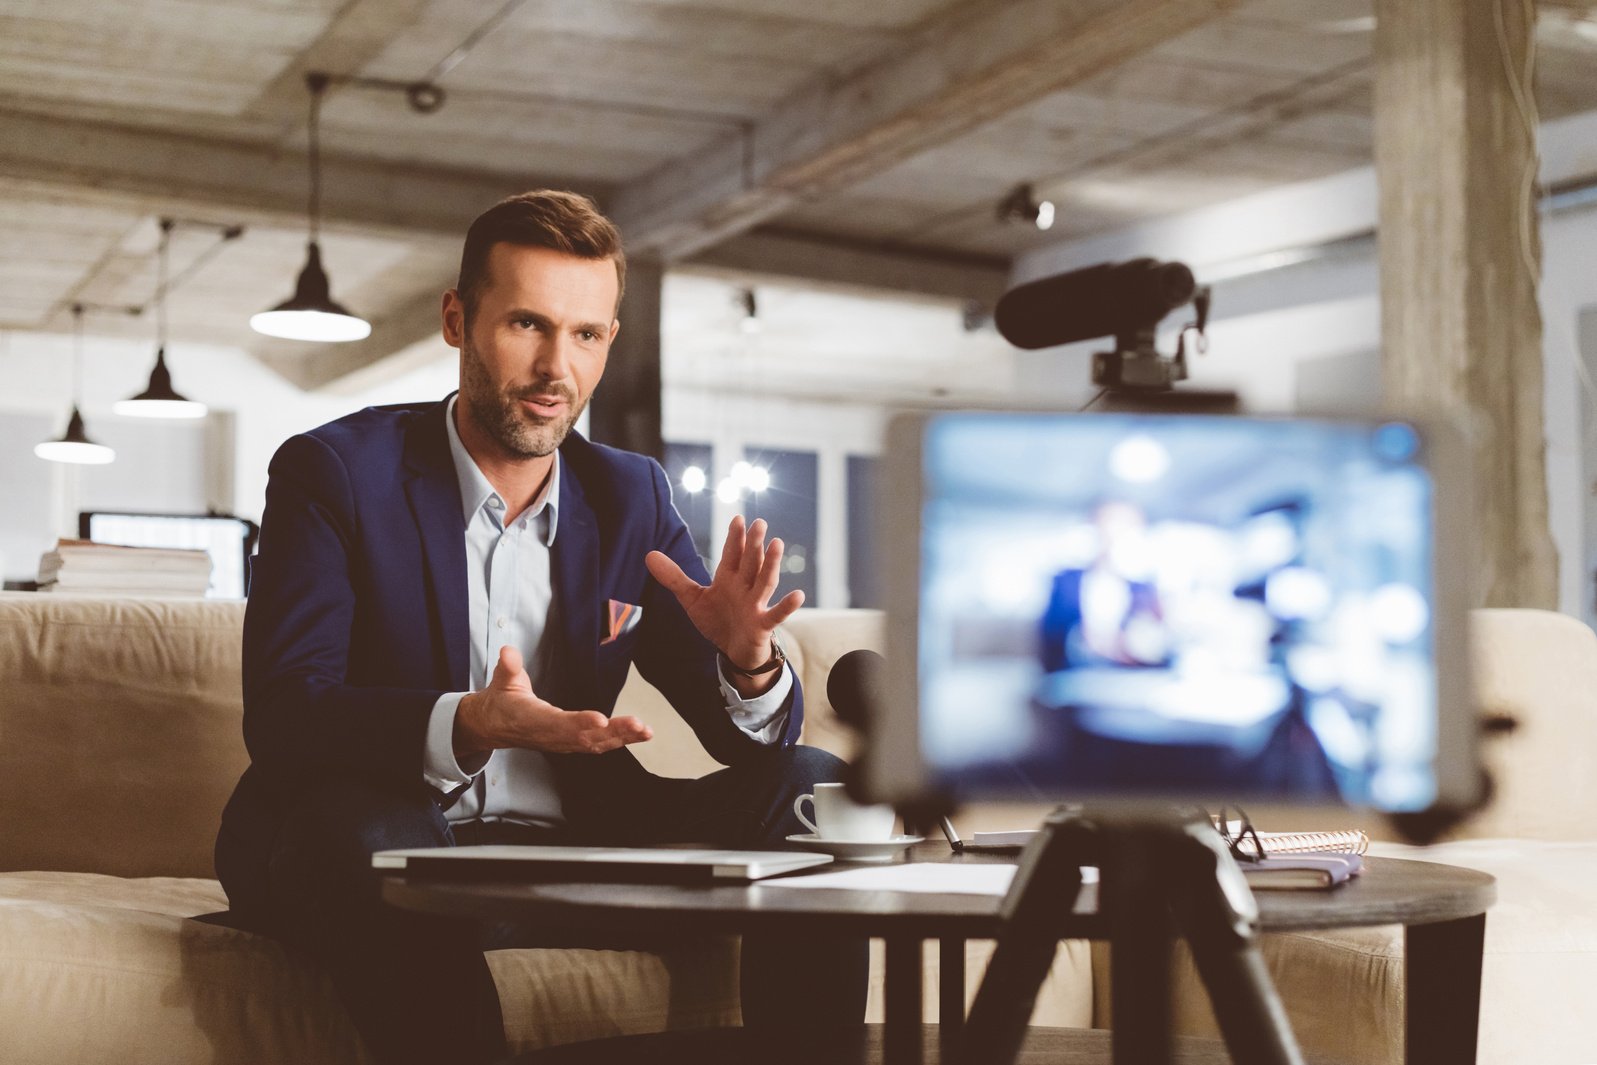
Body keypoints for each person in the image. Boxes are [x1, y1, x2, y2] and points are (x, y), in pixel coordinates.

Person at [214, 189, 864, 1063]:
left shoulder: (630, 494)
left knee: (817, 783)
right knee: (367, 834)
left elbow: (745, 740)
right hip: (395, 835)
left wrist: (747, 665)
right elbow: (288, 717)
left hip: (581, 845)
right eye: (527, 324)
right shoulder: (333, 473)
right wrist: (467, 721)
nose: (557, 366)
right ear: (456, 320)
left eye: (586, 334)